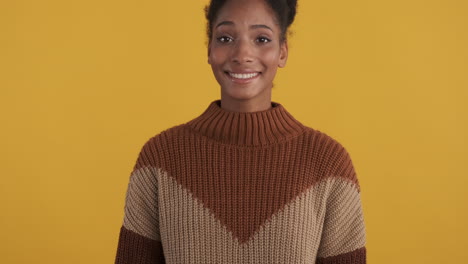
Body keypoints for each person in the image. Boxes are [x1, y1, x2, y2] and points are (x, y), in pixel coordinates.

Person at [114, 0, 367, 263]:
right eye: (225, 38)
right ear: (209, 49)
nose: (242, 54)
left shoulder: (328, 163)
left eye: (261, 39)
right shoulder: (160, 158)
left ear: (282, 52)